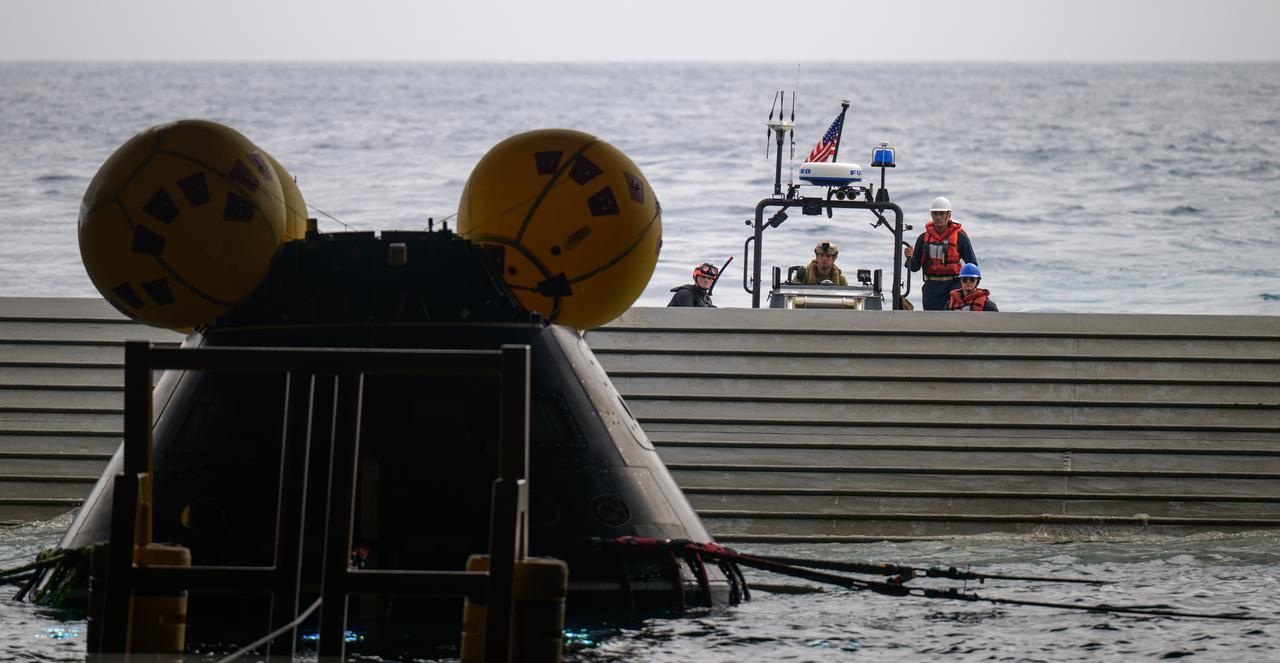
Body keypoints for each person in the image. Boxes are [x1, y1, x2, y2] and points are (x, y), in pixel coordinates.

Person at [904, 196, 979, 310]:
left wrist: (968, 288)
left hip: (954, 287)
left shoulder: (960, 238)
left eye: (941, 213)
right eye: (935, 214)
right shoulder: (923, 238)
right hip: (931, 288)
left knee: (952, 320)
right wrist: (909, 257)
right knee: (932, 321)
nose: (938, 217)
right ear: (931, 215)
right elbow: (914, 267)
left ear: (949, 215)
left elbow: (973, 265)